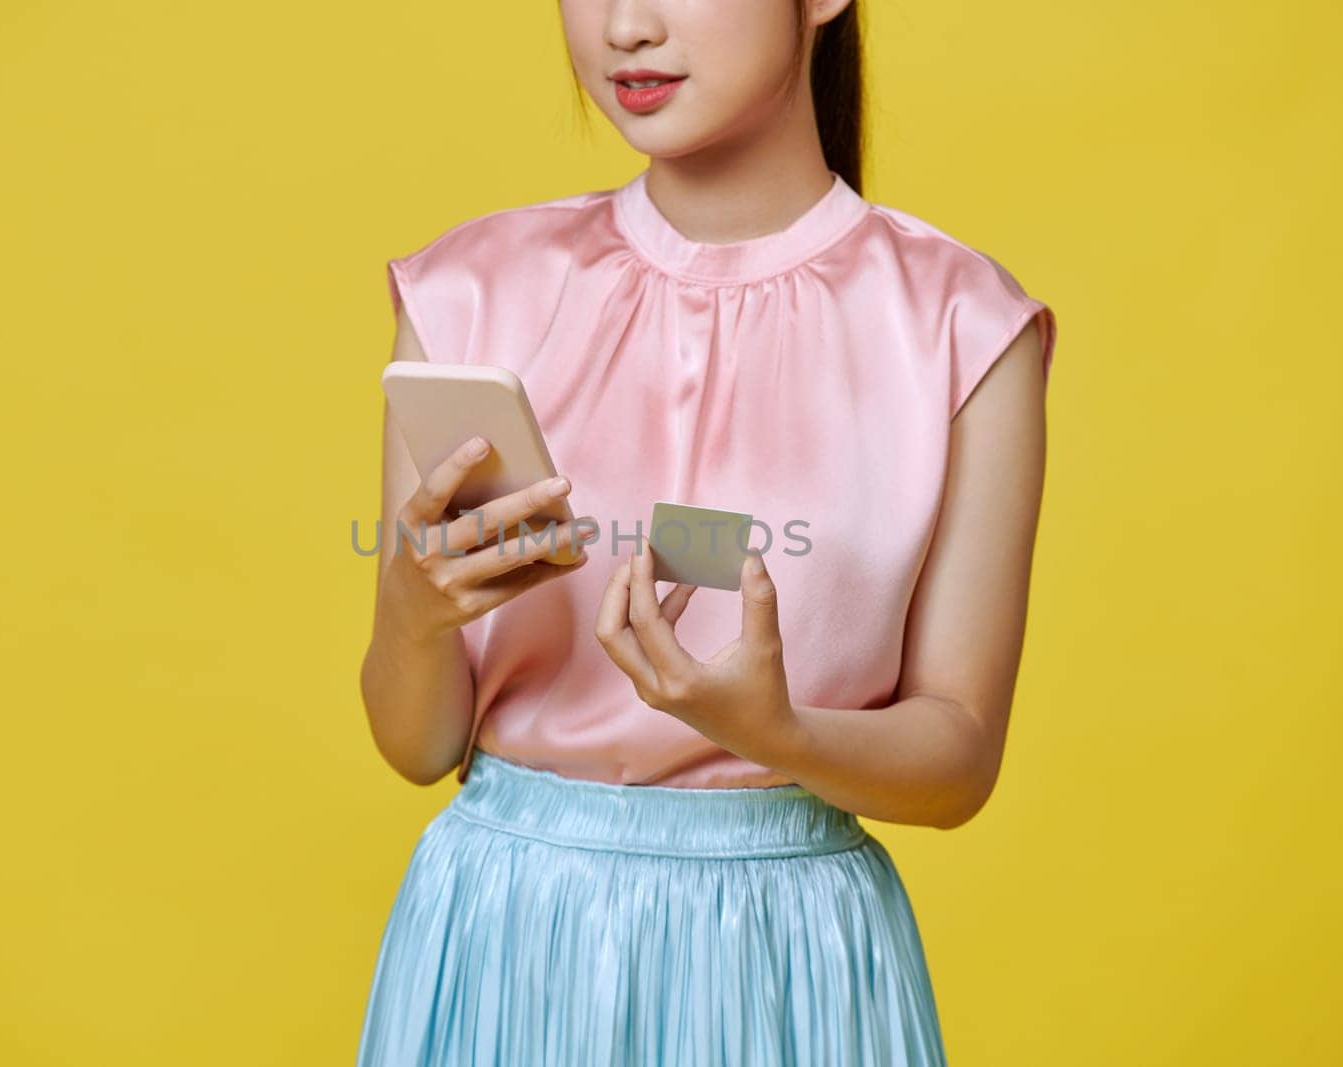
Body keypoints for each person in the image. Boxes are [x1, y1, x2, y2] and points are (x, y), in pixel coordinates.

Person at [356, 0, 1057, 1062]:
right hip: (504, 933)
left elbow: (958, 758)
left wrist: (779, 731)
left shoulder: (960, 325)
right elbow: (418, 746)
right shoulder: (471, 289)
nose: (624, 27)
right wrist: (410, 617)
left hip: (788, 953)